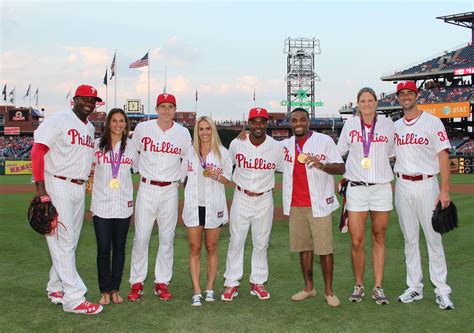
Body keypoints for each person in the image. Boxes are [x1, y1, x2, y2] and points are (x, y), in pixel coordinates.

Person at [31, 84, 103, 314]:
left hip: (78, 187)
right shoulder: (58, 119)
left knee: (68, 241)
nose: (89, 103)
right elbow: (38, 151)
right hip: (57, 183)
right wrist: (41, 191)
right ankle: (74, 298)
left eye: (93, 100)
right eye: (85, 99)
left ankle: (55, 287)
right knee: (62, 240)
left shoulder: (90, 128)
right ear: (75, 99)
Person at [393, 81, 454, 310]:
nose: (406, 96)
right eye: (402, 94)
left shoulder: (432, 121)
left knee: (433, 239)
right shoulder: (395, 126)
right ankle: (414, 287)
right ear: (398, 98)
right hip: (402, 184)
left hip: (427, 184)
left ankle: (441, 289)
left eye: (410, 93)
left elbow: (443, 156)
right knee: (409, 239)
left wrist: (445, 189)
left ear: (416, 95)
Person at [127, 93, 192, 301]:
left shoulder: (182, 133)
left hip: (170, 190)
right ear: (156, 109)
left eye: (170, 107)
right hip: (147, 188)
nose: (166, 110)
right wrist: (139, 170)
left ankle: (161, 281)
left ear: (175, 110)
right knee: (142, 237)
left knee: (167, 238)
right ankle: (136, 282)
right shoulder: (143, 128)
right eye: (162, 106)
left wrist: (178, 178)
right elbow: (133, 153)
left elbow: (187, 160)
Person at [336, 88, 395, 305]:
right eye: (363, 101)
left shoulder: (389, 125)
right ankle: (359, 285)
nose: (367, 104)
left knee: (380, 235)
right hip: (357, 188)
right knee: (357, 240)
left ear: (376, 102)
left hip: (380, 187)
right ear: (357, 104)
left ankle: (378, 287)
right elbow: (338, 151)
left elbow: (392, 151)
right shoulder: (350, 125)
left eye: (370, 100)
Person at [281, 107, 344, 307]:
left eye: (302, 120)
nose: (298, 123)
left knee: (324, 249)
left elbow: (341, 167)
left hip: (319, 204)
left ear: (309, 122)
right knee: (304, 247)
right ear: (290, 123)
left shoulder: (324, 141)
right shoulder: (286, 145)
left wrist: (322, 165)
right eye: (294, 120)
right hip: (296, 205)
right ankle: (309, 288)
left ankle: (329, 291)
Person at [221, 107, 283, 302]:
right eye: (254, 121)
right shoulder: (236, 144)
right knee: (236, 241)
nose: (258, 125)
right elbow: (225, 164)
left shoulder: (276, 147)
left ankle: (257, 282)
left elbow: (284, 167)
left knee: (261, 243)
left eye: (262, 121)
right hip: (241, 196)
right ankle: (231, 283)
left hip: (265, 198)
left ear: (267, 123)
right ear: (248, 123)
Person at [181, 116, 232, 306]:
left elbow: (228, 179)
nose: (204, 133)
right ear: (197, 132)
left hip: (214, 206)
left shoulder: (223, 153)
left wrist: (216, 176)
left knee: (211, 248)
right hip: (194, 206)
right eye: (201, 129)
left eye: (207, 129)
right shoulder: (189, 153)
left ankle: (210, 288)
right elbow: (181, 176)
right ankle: (196, 290)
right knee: (194, 248)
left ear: (213, 131)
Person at [90, 108, 138, 306]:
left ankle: (115, 289)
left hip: (123, 205)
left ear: (126, 125)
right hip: (101, 204)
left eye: (122, 121)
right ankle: (104, 291)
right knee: (103, 249)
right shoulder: (96, 146)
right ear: (108, 123)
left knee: (119, 249)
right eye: (115, 121)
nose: (118, 124)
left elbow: (145, 166)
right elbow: (86, 169)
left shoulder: (133, 147)